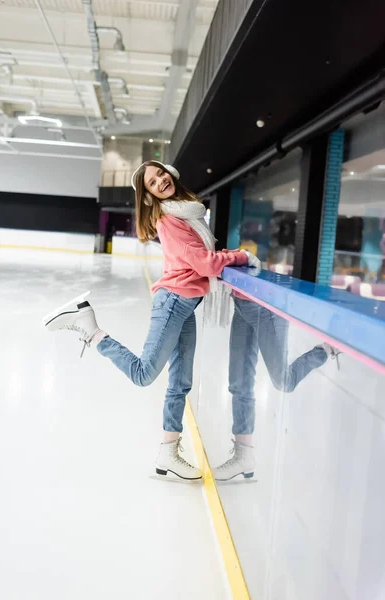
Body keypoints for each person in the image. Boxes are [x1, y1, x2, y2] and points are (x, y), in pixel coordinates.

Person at [42, 161, 260, 482]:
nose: (160, 182)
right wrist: (241, 256)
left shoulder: (189, 213)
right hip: (173, 302)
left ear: (171, 175)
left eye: (161, 175)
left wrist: (229, 254)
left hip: (185, 304)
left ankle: (167, 452)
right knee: (144, 374)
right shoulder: (170, 220)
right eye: (152, 183)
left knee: (180, 382)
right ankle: (90, 328)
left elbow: (205, 252)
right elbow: (205, 263)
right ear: (148, 196)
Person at [213, 292, 340, 482]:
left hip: (268, 305)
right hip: (242, 304)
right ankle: (243, 457)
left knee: (283, 381)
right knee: (239, 383)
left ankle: (325, 350)